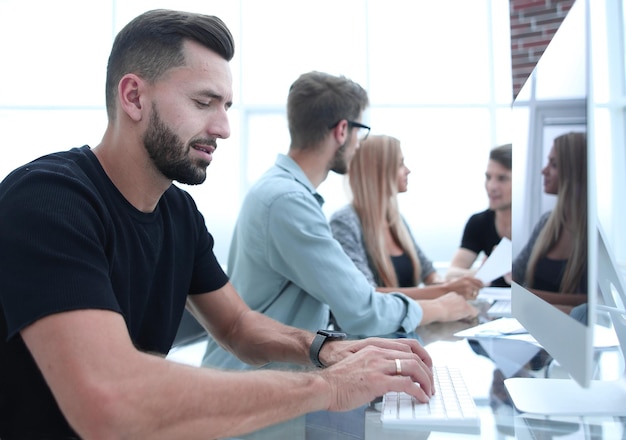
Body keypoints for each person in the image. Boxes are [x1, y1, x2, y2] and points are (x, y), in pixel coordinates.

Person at [0, 10, 436, 439]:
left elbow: (237, 327)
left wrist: (323, 349)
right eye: (203, 102)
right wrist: (327, 386)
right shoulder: (48, 201)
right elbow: (112, 400)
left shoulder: (178, 212)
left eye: (226, 106)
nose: (224, 128)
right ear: (133, 97)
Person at [202, 71, 478, 371]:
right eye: (361, 131)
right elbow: (362, 309)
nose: (360, 144)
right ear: (343, 130)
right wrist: (439, 307)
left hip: (263, 376)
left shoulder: (282, 191)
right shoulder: (288, 201)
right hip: (253, 385)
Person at [329, 134, 484, 303]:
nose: (408, 170)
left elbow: (428, 273)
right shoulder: (344, 223)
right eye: (400, 164)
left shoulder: (396, 220)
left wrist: (451, 285)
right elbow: (368, 295)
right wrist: (444, 290)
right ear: (379, 171)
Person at [512, 132, 587, 312]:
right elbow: (517, 273)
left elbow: (593, 302)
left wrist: (528, 295)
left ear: (574, 172)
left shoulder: (593, 235)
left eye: (554, 165)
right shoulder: (547, 222)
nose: (544, 170)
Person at [446, 143, 512, 287]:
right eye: (488, 177)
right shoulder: (479, 222)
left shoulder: (536, 226)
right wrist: (485, 272)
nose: (491, 186)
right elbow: (451, 274)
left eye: (502, 178)